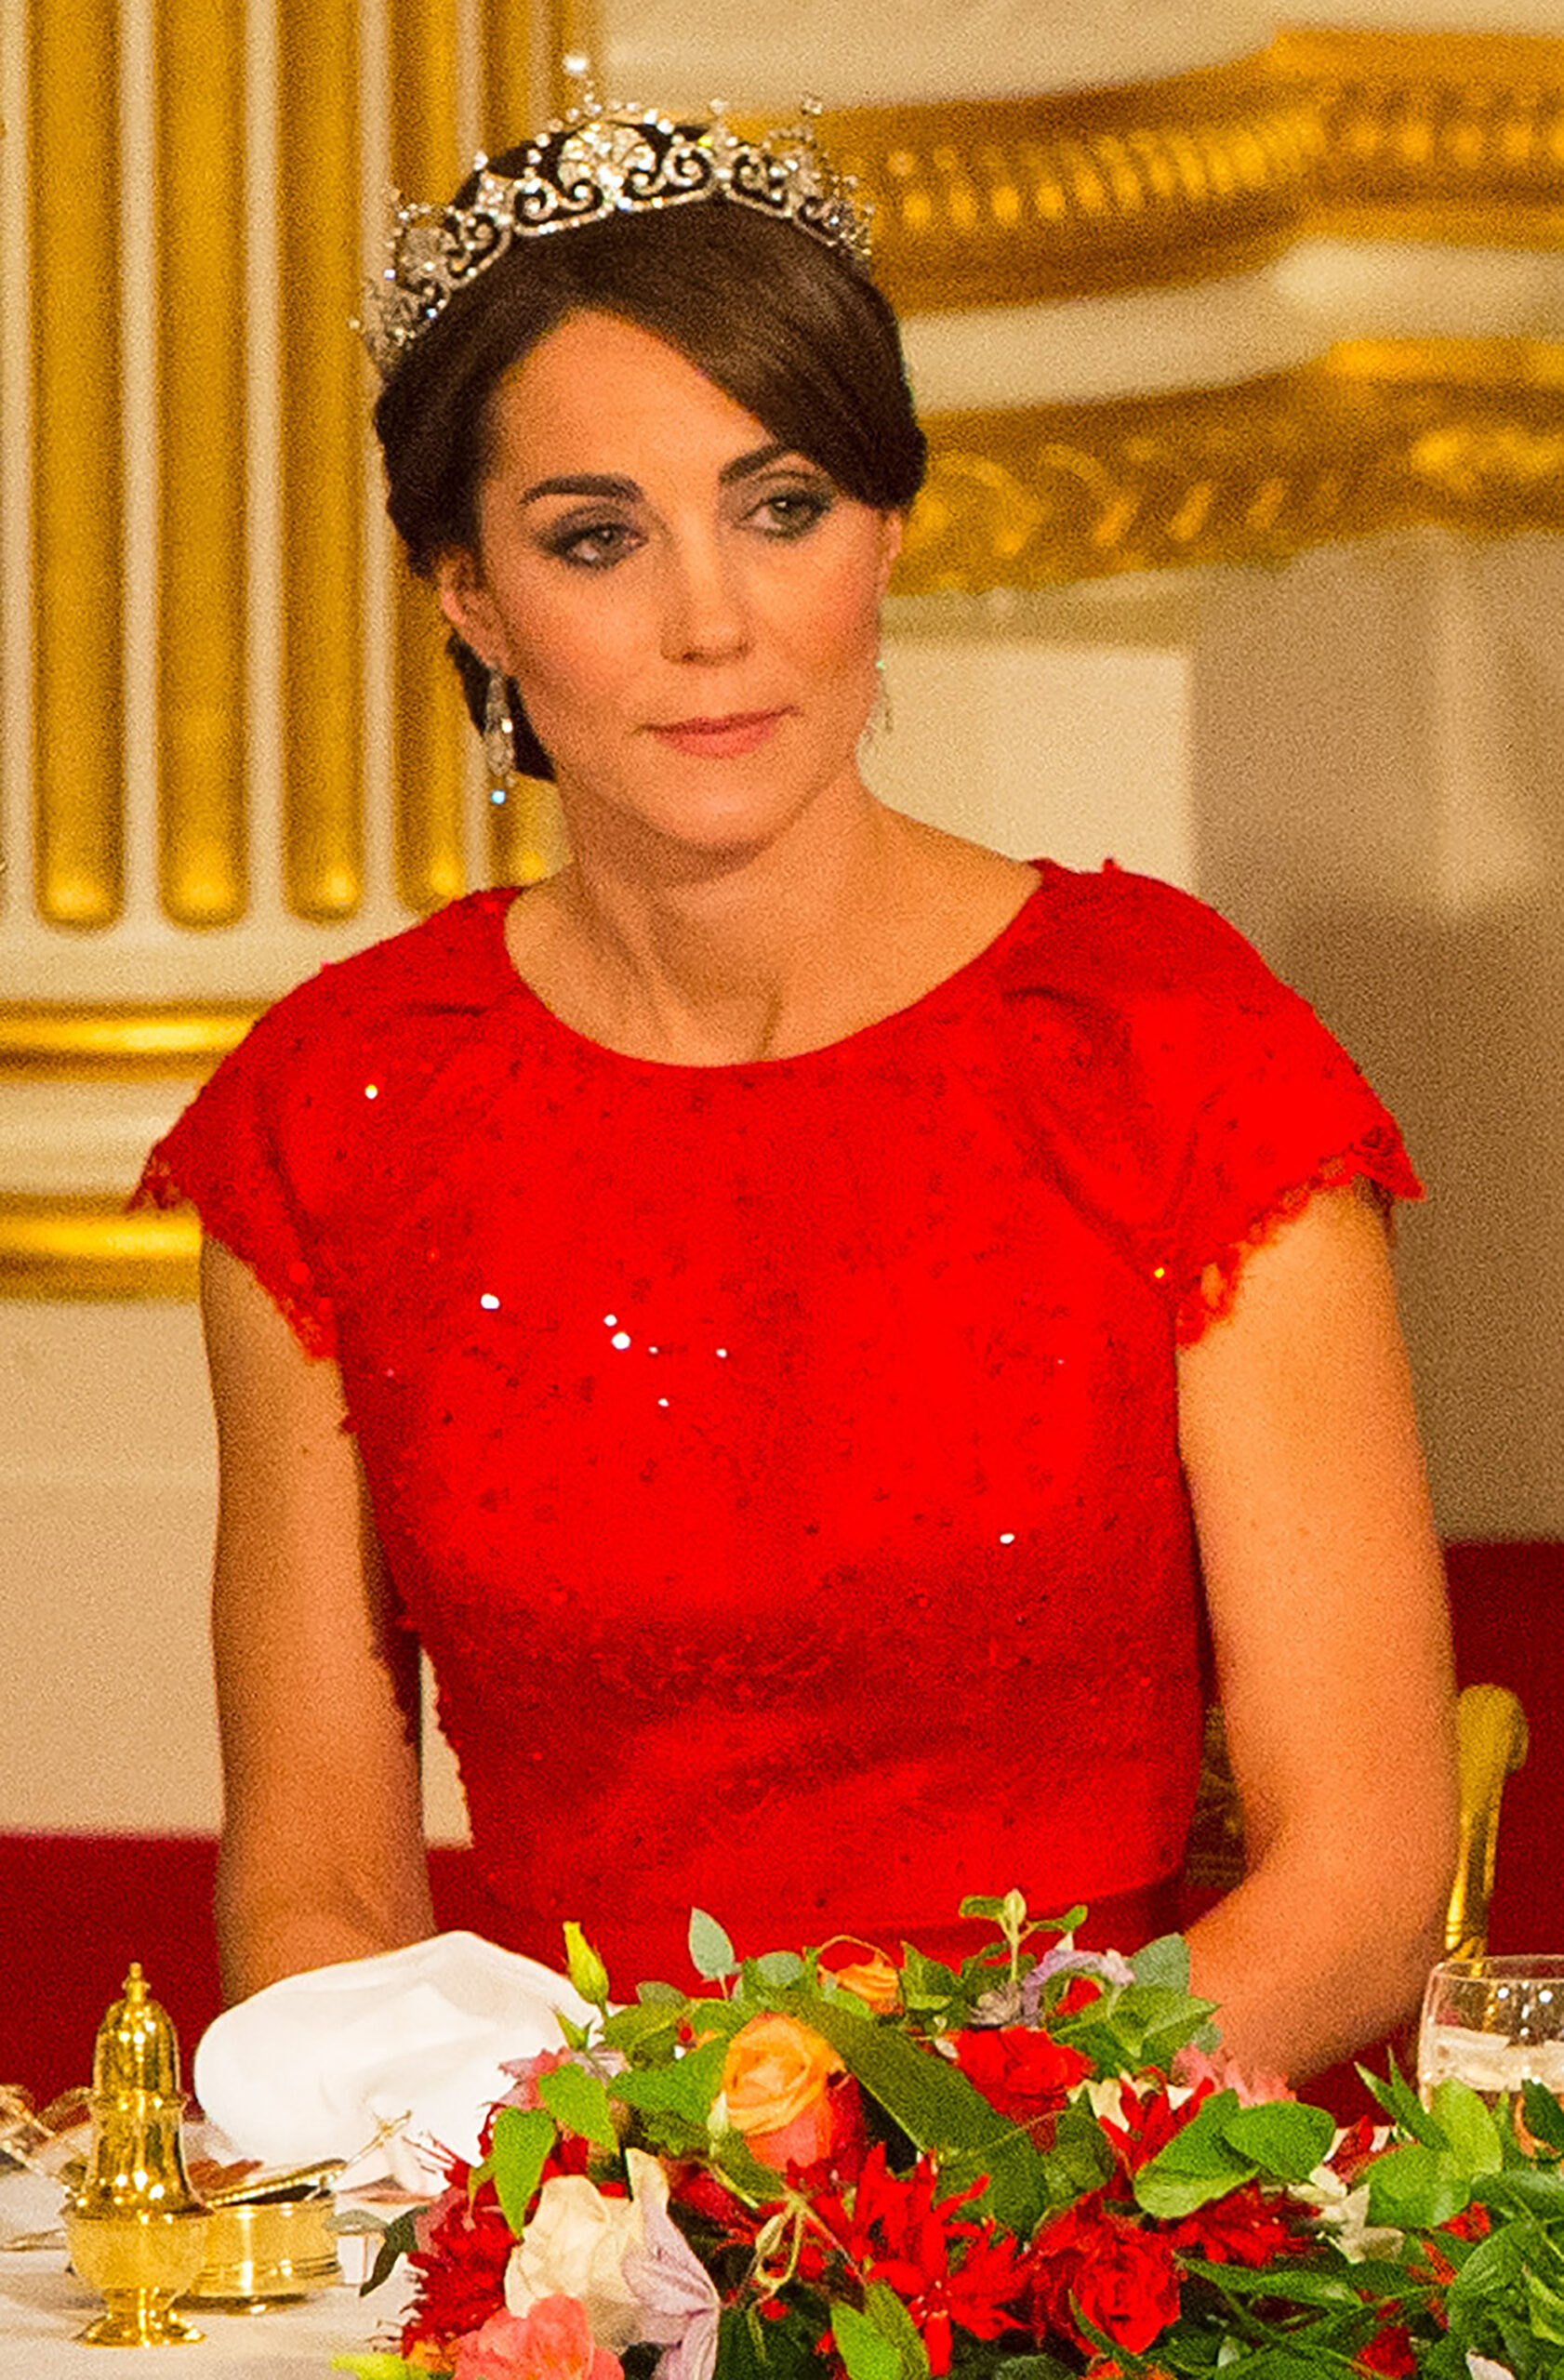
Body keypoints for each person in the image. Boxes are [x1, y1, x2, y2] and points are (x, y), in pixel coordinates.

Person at [138, 88, 1456, 2082]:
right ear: (467, 598)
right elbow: (317, 1897)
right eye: (597, 537)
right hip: (577, 2226)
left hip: (1101, 2208)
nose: (710, 622)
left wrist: (946, 2166)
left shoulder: (1168, 1050)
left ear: (887, 527)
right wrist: (593, 2212)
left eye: (782, 507)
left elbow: (1356, 1876)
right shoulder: (336, 1114)